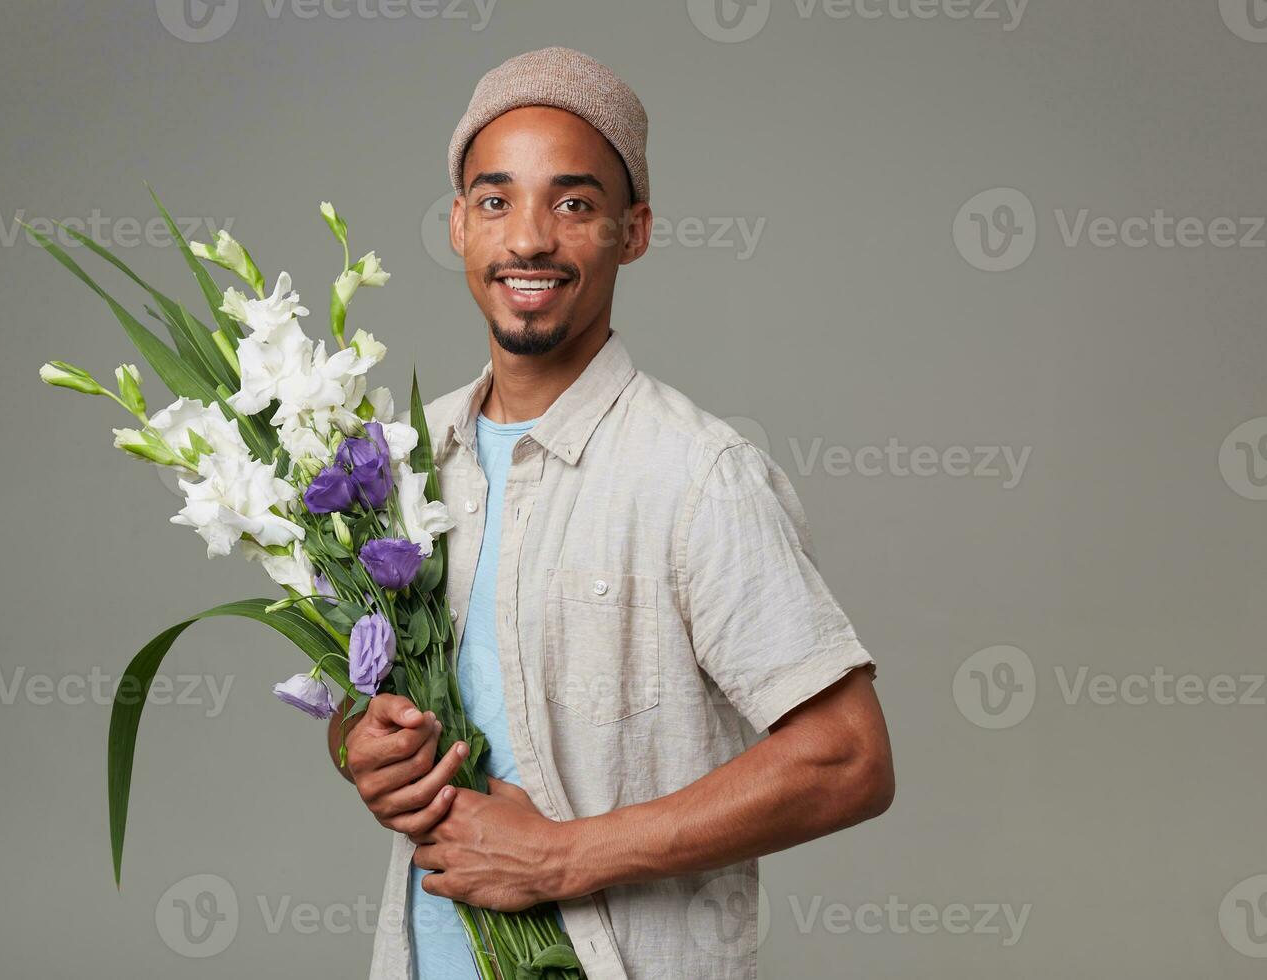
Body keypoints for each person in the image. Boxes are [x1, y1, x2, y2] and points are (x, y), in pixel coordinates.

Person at [327, 46, 895, 980]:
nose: (530, 240)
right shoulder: (401, 467)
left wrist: (561, 857)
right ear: (461, 225)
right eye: (498, 201)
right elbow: (367, 696)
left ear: (633, 232)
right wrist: (359, 744)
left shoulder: (697, 476)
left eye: (575, 203)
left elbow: (847, 759)